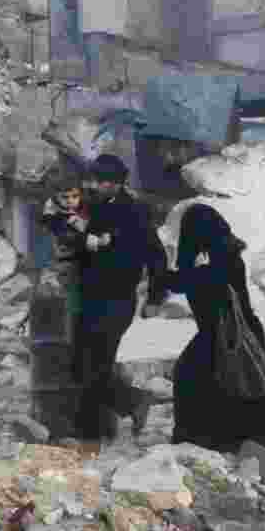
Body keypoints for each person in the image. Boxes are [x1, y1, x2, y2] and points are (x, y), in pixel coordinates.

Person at [165, 203, 265, 457]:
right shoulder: (225, 256)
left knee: (253, 388)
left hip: (232, 336)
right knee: (244, 388)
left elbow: (186, 281)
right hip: (230, 333)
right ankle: (216, 439)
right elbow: (186, 279)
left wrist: (159, 268)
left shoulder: (220, 264)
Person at [72, 154, 167, 442]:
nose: (98, 186)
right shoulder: (91, 207)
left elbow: (157, 257)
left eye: (104, 182)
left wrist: (154, 297)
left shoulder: (136, 212)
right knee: (80, 363)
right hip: (88, 297)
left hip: (117, 299)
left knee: (97, 365)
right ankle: (100, 423)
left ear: (118, 183)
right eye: (96, 180)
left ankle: (125, 409)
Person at [39, 167, 91, 343]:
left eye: (74, 197)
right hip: (65, 266)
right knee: (68, 308)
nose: (71, 201)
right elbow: (68, 238)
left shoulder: (82, 209)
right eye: (65, 197)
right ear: (56, 197)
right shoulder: (54, 218)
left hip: (79, 266)